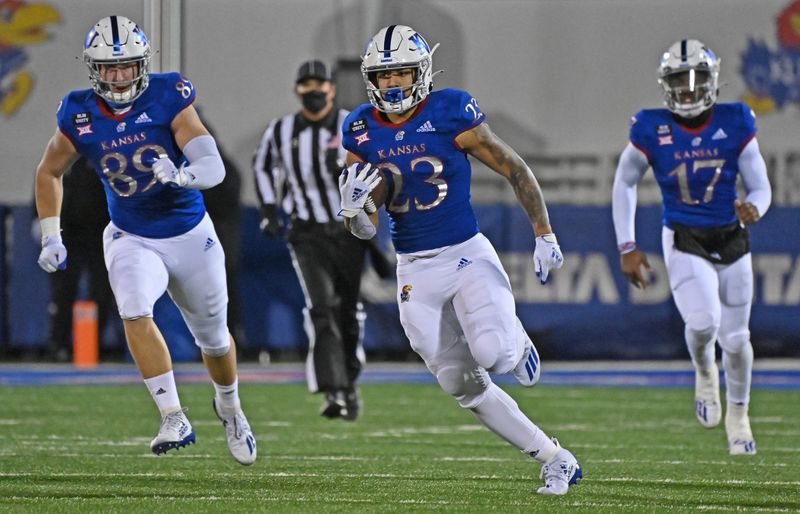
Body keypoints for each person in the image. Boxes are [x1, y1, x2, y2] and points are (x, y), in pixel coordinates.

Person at [339, 25, 582, 495]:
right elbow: (367, 226)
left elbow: (514, 167)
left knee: (494, 354)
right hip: (414, 265)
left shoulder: (451, 110)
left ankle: (517, 341)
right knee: (458, 382)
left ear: (423, 72)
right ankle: (555, 458)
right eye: (384, 76)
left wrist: (544, 232)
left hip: (465, 253)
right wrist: (354, 214)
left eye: (403, 72)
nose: (393, 84)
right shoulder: (360, 128)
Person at [34, 16, 256, 464]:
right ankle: (173, 413)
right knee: (133, 307)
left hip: (190, 235)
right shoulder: (78, 112)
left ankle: (230, 406)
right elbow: (49, 171)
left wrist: (183, 174)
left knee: (214, 339)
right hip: (131, 234)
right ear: (94, 70)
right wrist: (50, 235)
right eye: (109, 68)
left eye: (127, 66)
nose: (118, 77)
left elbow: (214, 165)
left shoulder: (167, 95)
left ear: (143, 65)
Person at [612, 39, 771, 455]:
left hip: (731, 235)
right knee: (703, 324)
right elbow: (625, 181)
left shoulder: (736, 120)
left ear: (713, 82)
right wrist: (626, 244)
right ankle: (704, 370)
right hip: (684, 236)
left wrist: (755, 206)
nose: (689, 88)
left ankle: (739, 416)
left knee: (737, 340)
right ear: (666, 85)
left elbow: (761, 185)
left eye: (698, 79)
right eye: (680, 79)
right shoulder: (652, 126)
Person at [253, 60, 368, 420]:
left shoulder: (352, 123)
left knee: (346, 311)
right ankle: (333, 389)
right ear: (297, 89)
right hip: (306, 232)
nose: (313, 90)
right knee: (321, 307)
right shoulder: (281, 130)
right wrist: (269, 210)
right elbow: (261, 166)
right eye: (306, 84)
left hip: (348, 231)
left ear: (332, 88)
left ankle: (348, 381)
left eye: (320, 83)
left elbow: (374, 163)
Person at [36, 156, 116, 362]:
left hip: (99, 235)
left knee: (101, 292)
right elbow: (45, 180)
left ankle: (92, 347)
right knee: (63, 292)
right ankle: (58, 345)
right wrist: (40, 221)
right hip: (66, 236)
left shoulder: (102, 153)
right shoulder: (64, 155)